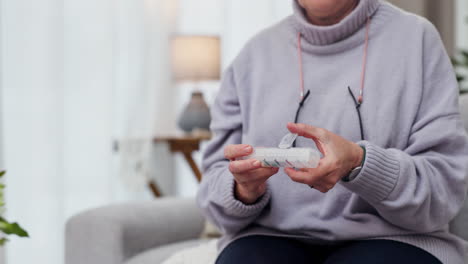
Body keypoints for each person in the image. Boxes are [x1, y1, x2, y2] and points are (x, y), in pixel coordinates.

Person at [196, 0, 468, 263]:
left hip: (397, 240)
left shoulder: (416, 39)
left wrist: (360, 163)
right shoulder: (253, 55)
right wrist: (242, 190)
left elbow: (442, 191)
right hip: (268, 238)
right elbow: (213, 188)